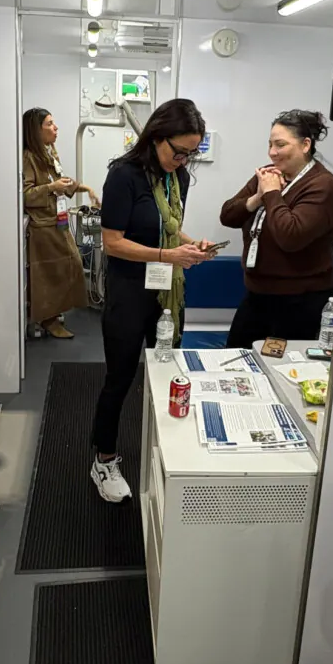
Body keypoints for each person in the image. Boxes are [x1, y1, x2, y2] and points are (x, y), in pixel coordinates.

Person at [89, 98, 216, 503]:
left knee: (166, 375)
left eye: (191, 153)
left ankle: (162, 450)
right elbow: (113, 243)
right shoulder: (123, 176)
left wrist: (192, 243)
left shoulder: (178, 178)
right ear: (156, 137)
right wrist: (167, 255)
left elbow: (169, 227)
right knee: (120, 378)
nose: (183, 160)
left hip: (166, 294)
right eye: (178, 151)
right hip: (129, 293)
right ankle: (104, 459)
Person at [219, 110, 333, 349]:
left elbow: (291, 237)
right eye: (270, 145)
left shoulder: (323, 185)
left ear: (305, 145)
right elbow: (228, 215)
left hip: (299, 300)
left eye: (280, 145)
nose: (272, 152)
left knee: (280, 369)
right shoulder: (269, 174)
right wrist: (256, 197)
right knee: (236, 357)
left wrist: (273, 193)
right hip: (258, 294)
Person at [21, 107, 99, 339]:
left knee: (70, 266)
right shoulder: (29, 157)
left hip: (58, 222)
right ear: (36, 130)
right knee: (50, 275)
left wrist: (85, 189)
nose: (56, 128)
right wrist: (51, 188)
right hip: (43, 227)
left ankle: (54, 314)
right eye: (50, 124)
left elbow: (60, 181)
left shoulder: (48, 152)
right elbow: (25, 194)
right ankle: (48, 319)